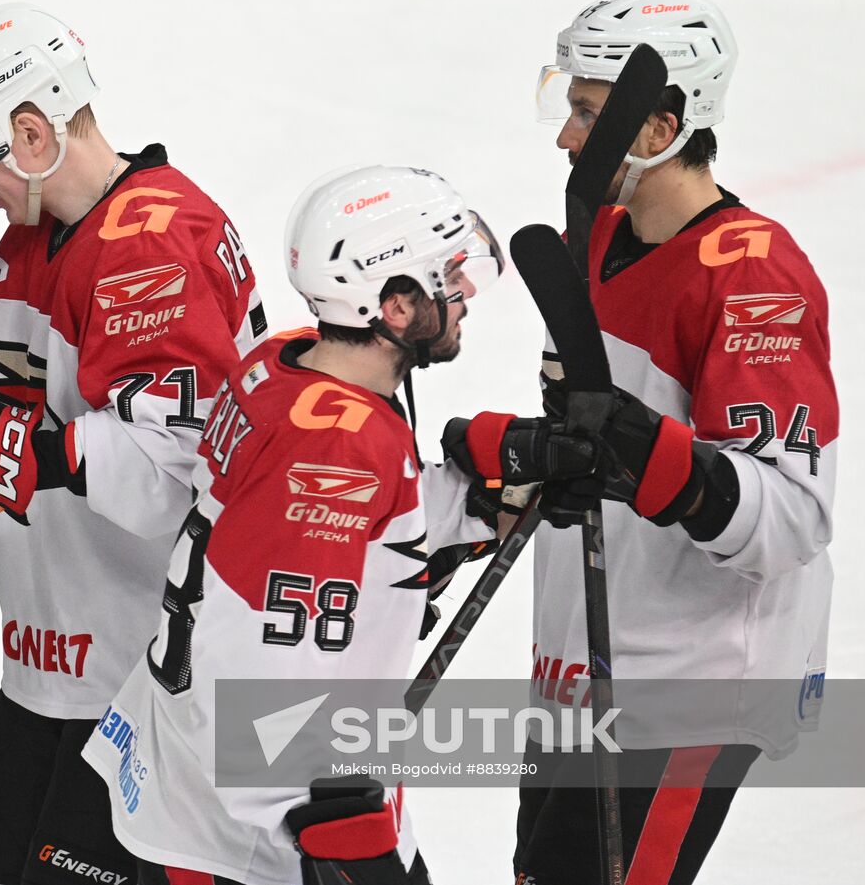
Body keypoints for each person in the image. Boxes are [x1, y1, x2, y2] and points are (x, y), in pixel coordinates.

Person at [80, 165, 600, 885]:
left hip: (193, 781)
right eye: (449, 276)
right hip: (252, 840)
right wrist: (340, 836)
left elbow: (338, 536)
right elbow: (258, 652)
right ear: (393, 305)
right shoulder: (343, 447)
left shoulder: (285, 364)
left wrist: (487, 488)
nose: (467, 293)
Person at [0, 4, 269, 885]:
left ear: (29, 131)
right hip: (55, 666)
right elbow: (51, 397)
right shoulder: (35, 238)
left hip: (144, 685)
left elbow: (173, 463)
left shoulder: (148, 243)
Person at [471, 0, 836, 885]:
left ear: (657, 126)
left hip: (687, 685)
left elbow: (790, 518)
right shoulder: (595, 232)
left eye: (587, 113)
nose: (565, 136)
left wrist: (639, 446)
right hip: (587, 654)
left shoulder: (752, 276)